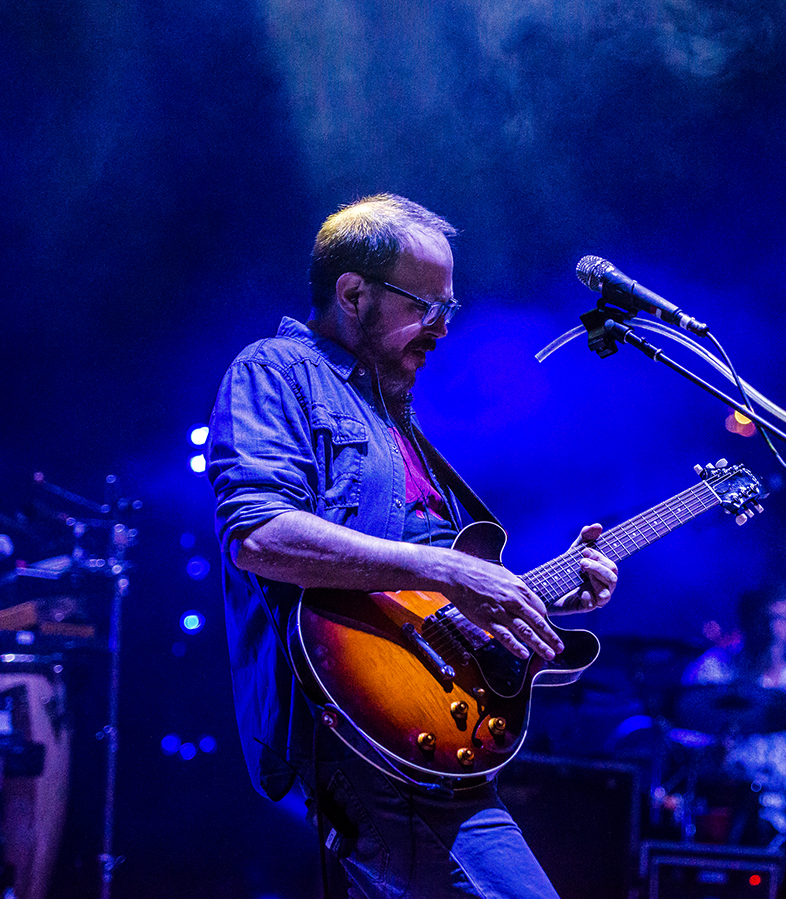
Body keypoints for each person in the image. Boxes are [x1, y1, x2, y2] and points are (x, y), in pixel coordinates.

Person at [206, 194, 619, 899]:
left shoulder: (395, 420)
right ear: (353, 294)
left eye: (449, 309)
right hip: (352, 721)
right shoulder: (276, 369)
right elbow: (260, 534)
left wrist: (534, 597)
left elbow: (431, 602)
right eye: (425, 306)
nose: (442, 329)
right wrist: (447, 569)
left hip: (426, 729)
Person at [678, 583, 786, 845]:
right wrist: (711, 749)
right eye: (765, 619)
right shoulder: (715, 669)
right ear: (746, 622)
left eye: (782, 619)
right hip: (721, 798)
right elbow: (680, 730)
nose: (772, 629)